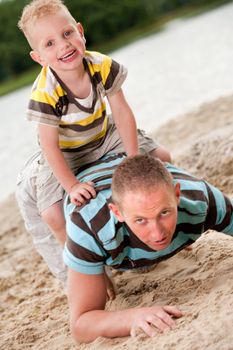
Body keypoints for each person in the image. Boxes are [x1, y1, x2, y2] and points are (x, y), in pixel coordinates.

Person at [17, 0, 171, 247]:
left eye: (67, 33)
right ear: (39, 58)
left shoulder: (101, 65)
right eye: (50, 43)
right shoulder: (45, 92)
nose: (64, 44)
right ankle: (82, 265)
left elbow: (120, 112)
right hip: (65, 151)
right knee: (53, 215)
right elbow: (49, 146)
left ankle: (170, 220)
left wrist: (133, 158)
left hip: (102, 134)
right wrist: (73, 185)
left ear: (80, 31)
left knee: (162, 156)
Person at [62, 153, 233, 343]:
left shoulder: (200, 198)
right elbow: (80, 326)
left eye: (164, 212)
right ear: (117, 212)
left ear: (177, 195)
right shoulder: (90, 228)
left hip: (117, 149)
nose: (157, 233)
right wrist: (132, 317)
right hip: (67, 176)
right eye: (140, 220)